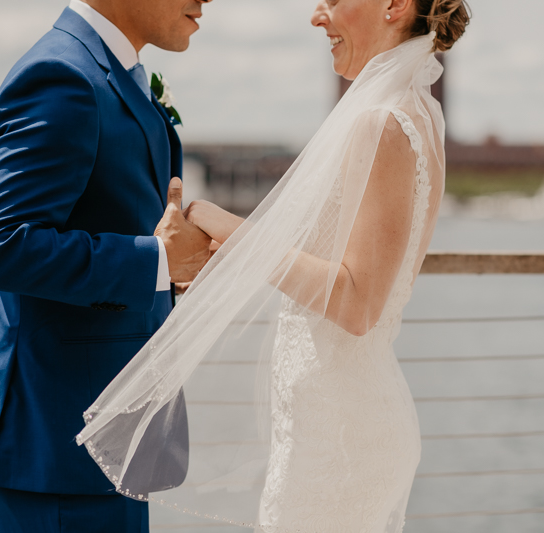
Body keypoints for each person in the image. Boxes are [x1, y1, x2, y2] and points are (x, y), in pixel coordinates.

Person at [77, 0, 470, 531]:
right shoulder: (411, 109)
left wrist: (219, 222)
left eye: (331, 0)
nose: (316, 16)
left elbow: (356, 303)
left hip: (338, 439)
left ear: (394, 6)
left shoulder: (382, 122)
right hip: (331, 419)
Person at [0, 0, 214, 531]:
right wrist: (155, 260)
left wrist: (173, 266)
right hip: (59, 445)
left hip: (106, 432)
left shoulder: (109, 72)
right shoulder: (62, 77)